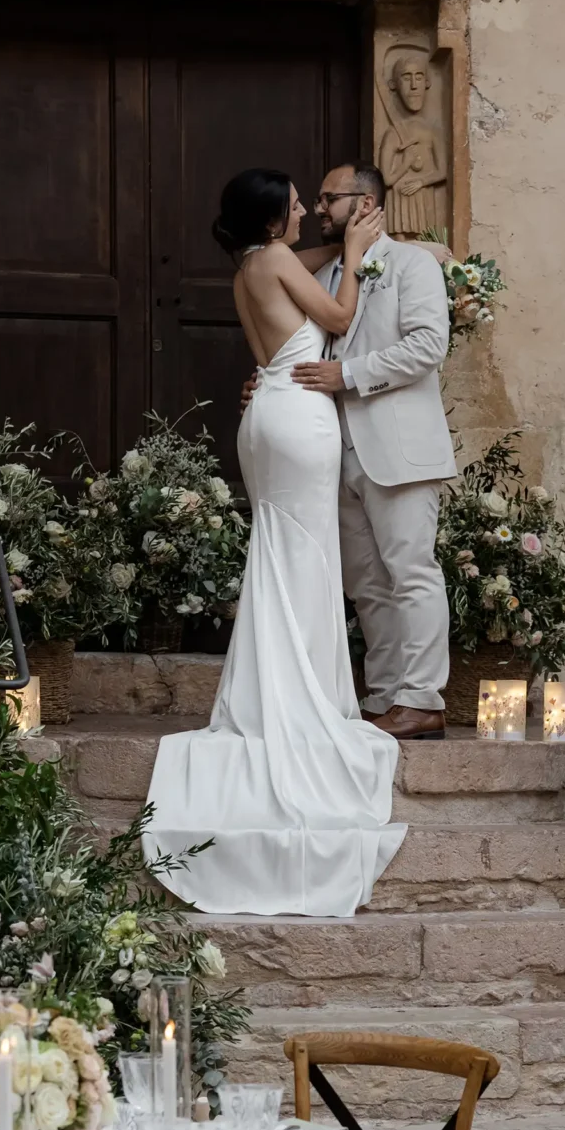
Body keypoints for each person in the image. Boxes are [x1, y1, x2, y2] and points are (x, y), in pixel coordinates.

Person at [140, 168, 407, 918]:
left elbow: (287, 325)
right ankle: (306, 701)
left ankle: (282, 689)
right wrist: (355, 253)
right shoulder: (281, 259)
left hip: (266, 416)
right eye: (293, 203)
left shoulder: (246, 270)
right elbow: (341, 314)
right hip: (299, 421)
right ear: (270, 220)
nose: (303, 210)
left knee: (282, 559)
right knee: (306, 560)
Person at [290, 162, 457, 740]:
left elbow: (428, 345)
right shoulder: (334, 271)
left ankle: (424, 698)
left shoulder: (414, 264)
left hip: (400, 447)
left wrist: (350, 375)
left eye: (327, 198)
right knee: (366, 584)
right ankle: (386, 695)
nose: (317, 209)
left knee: (411, 571)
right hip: (337, 450)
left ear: (364, 203)